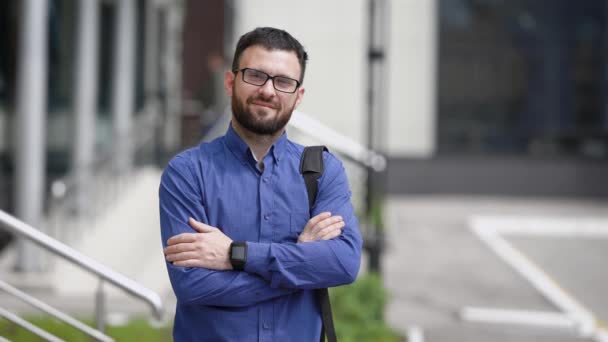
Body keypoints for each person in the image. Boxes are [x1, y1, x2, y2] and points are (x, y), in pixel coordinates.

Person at [159, 27, 362, 342]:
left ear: (298, 96)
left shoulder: (322, 171)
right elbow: (193, 285)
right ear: (230, 82)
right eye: (255, 75)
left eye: (283, 82)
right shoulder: (187, 173)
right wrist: (298, 261)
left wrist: (235, 255)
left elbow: (343, 263)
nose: (268, 90)